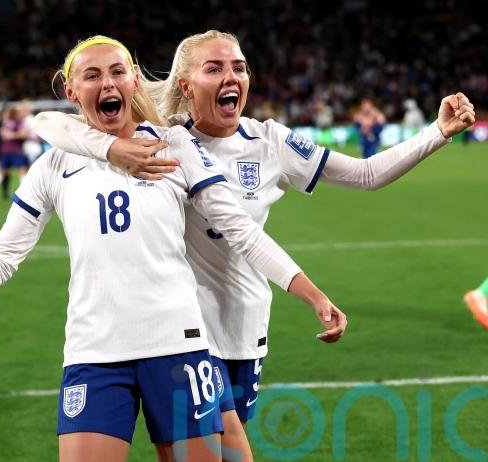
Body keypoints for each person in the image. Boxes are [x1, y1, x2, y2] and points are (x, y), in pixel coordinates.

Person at [0, 36, 347, 462]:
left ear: (133, 81)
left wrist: (312, 294)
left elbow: (241, 231)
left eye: (117, 72)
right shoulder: (52, 166)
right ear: (72, 91)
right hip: (94, 352)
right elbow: (2, 259)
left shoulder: (174, 145)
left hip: (179, 348)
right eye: (92, 76)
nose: (107, 83)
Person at [33, 29, 476, 461]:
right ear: (186, 85)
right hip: (179, 335)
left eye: (239, 67)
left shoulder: (269, 142)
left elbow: (365, 174)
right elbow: (49, 122)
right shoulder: (162, 138)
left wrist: (437, 132)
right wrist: (111, 150)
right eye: (214, 68)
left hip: (244, 330)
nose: (231, 77)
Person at [0, 103, 31, 203]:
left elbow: (2, 133)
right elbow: (25, 134)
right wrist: (15, 135)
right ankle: (25, 196)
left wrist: (10, 135)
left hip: (5, 151)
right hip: (16, 151)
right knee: (22, 171)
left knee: (1, 172)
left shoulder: (6, 123)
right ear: (16, 114)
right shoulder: (18, 123)